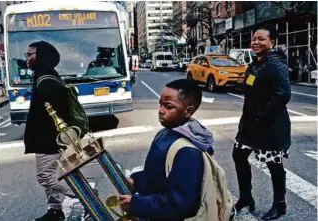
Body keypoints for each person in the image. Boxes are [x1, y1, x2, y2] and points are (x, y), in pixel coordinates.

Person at [118, 79, 215, 221]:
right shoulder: (167, 132)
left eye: (168, 106)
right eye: (160, 104)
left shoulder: (187, 152)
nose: (161, 110)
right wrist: (136, 181)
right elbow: (158, 175)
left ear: (188, 111)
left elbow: (180, 205)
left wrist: (136, 204)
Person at [232, 26, 291, 220]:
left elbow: (283, 94)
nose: (256, 42)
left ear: (272, 42)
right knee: (238, 155)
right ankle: (246, 197)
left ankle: (279, 204)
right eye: (254, 39)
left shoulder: (275, 64)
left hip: (269, 126)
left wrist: (262, 116)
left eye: (261, 39)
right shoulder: (257, 63)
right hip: (249, 125)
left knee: (274, 165)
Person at [24, 41, 76, 221]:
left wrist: (50, 137)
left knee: (45, 177)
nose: (27, 58)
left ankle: (87, 195)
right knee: (52, 174)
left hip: (48, 139)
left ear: (41, 56)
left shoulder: (46, 80)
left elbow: (56, 113)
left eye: (30, 54)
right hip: (47, 138)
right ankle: (55, 210)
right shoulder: (45, 76)